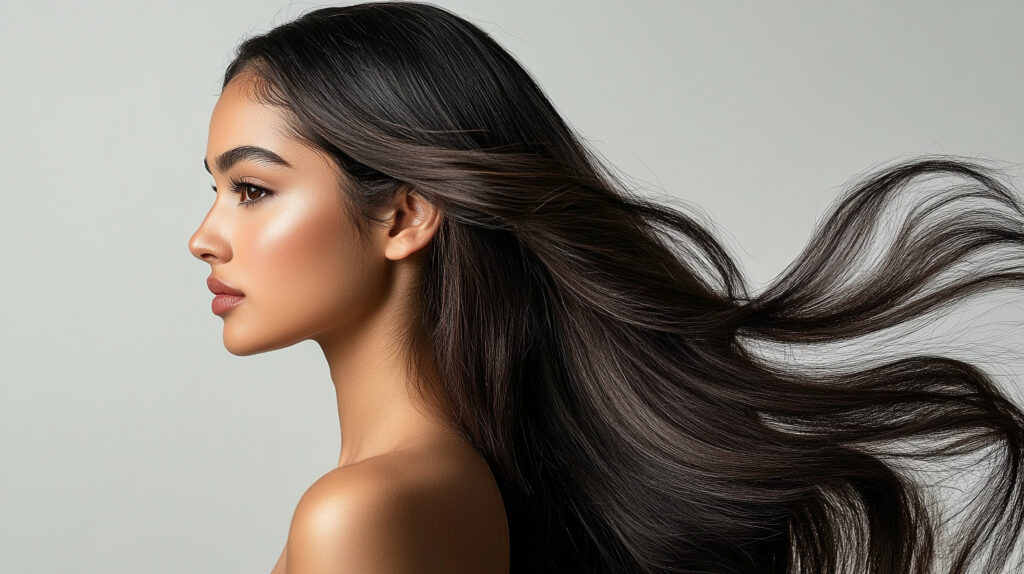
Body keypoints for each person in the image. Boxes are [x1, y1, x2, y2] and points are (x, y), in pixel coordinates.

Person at [188, 3, 1024, 573]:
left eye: (252, 190)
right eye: (215, 189)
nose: (204, 237)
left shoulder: (363, 513)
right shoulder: (454, 485)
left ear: (404, 217)